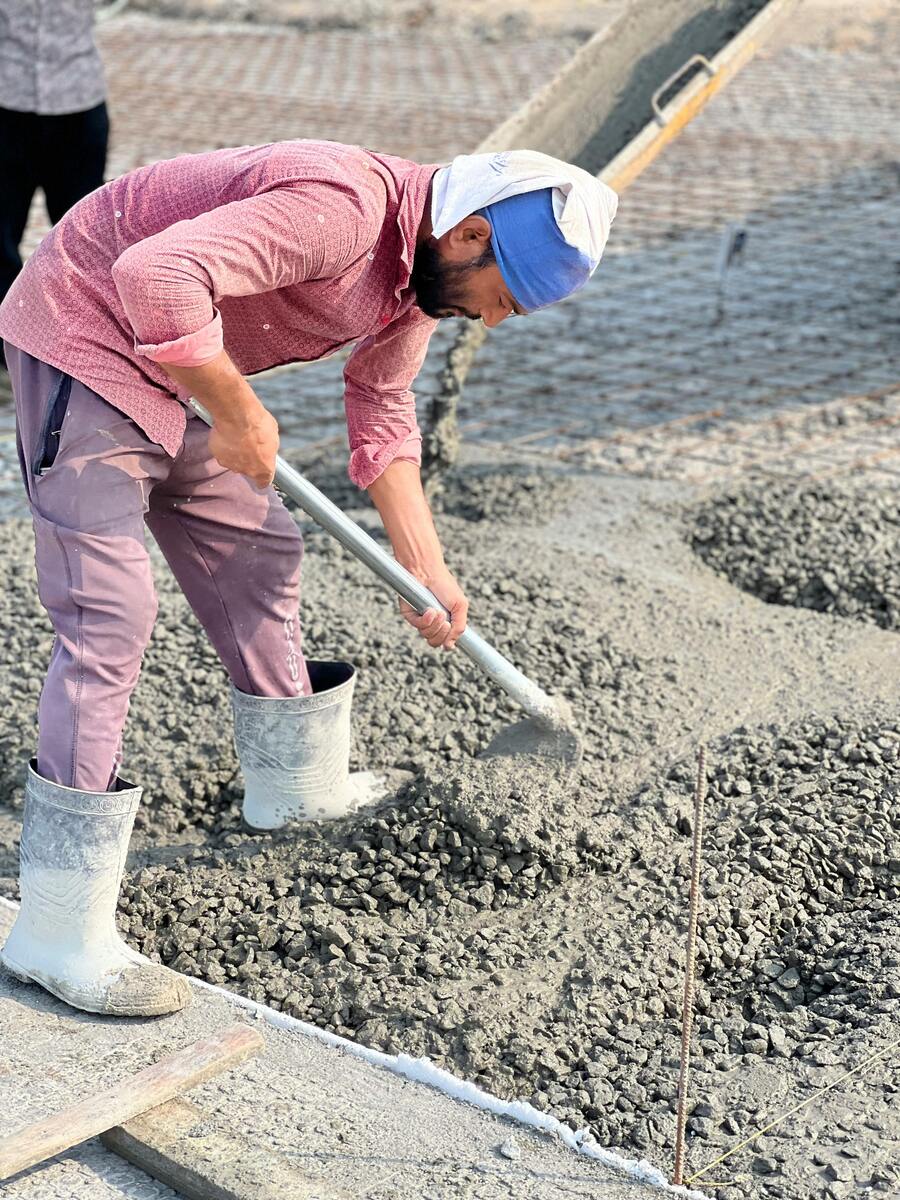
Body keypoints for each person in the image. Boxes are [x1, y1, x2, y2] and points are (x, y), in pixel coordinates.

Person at [0, 141, 617, 1018]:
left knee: (260, 552)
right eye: (504, 297)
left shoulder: (418, 274)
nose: (491, 321)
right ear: (471, 234)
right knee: (110, 614)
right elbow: (152, 274)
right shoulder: (347, 212)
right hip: (88, 333)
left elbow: (382, 403)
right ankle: (56, 928)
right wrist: (240, 410)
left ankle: (293, 788)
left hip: (177, 361)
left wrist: (426, 566)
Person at [0, 0, 110, 367]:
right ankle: (7, 347)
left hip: (78, 99)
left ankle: (82, 349)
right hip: (6, 99)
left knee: (83, 240)